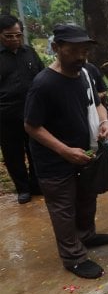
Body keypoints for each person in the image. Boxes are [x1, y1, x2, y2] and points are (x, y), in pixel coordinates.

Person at [24, 24, 108, 279]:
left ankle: (86, 235)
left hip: (84, 153)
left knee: (87, 196)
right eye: (72, 51)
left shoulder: (85, 72)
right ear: (56, 48)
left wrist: (104, 122)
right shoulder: (44, 84)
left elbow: (97, 104)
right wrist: (64, 151)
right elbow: (31, 126)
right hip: (54, 160)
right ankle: (73, 257)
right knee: (63, 208)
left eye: (84, 50)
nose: (79, 56)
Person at [0, 14, 44, 204]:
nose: (14, 39)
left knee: (35, 148)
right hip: (6, 115)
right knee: (13, 153)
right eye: (9, 36)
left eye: (18, 35)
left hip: (32, 112)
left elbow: (42, 76)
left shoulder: (29, 52)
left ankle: (36, 184)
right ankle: (22, 188)